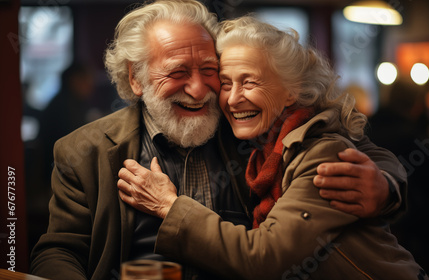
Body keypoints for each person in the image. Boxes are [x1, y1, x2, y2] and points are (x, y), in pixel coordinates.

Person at [30, 1, 407, 279]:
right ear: (135, 79)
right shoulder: (84, 150)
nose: (200, 90)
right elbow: (59, 250)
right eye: (177, 72)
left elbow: (351, 147)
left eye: (210, 71)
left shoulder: (245, 122)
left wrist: (385, 186)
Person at [118, 16, 427, 279]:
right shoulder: (252, 132)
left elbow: (265, 259)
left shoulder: (320, 153)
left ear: (291, 92)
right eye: (225, 83)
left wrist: (168, 207)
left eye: (250, 82)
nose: (234, 98)